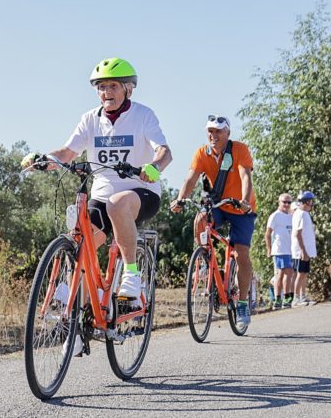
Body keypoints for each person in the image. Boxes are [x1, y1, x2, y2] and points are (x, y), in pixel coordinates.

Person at [22, 57, 172, 355]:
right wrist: (42, 159)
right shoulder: (91, 119)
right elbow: (67, 151)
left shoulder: (144, 116)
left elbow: (164, 151)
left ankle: (131, 274)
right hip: (101, 196)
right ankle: (76, 327)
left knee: (118, 204)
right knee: (81, 245)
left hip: (140, 192)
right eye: (101, 87)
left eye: (113, 86)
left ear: (128, 89)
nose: (106, 92)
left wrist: (154, 167)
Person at [170, 115, 257, 330]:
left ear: (228, 133)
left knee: (241, 253)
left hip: (239, 207)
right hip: (217, 205)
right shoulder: (202, 153)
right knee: (200, 219)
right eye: (210, 131)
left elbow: (245, 176)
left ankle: (243, 303)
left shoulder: (239, 150)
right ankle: (204, 261)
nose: (213, 135)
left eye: (218, 131)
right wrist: (180, 198)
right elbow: (191, 179)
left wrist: (245, 202)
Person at [265, 193, 294, 309]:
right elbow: (267, 234)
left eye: (289, 202)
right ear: (279, 202)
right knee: (281, 274)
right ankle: (279, 299)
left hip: (289, 249)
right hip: (280, 249)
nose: (286, 205)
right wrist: (269, 249)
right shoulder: (275, 216)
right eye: (284, 202)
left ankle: (285, 298)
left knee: (287, 274)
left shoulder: (291, 216)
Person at [291, 191, 317, 307]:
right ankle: (296, 299)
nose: (312, 204)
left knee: (305, 273)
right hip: (301, 251)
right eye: (311, 201)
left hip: (306, 250)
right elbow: (297, 233)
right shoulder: (301, 214)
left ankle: (303, 296)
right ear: (306, 202)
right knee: (300, 274)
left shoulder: (304, 214)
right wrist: (303, 250)